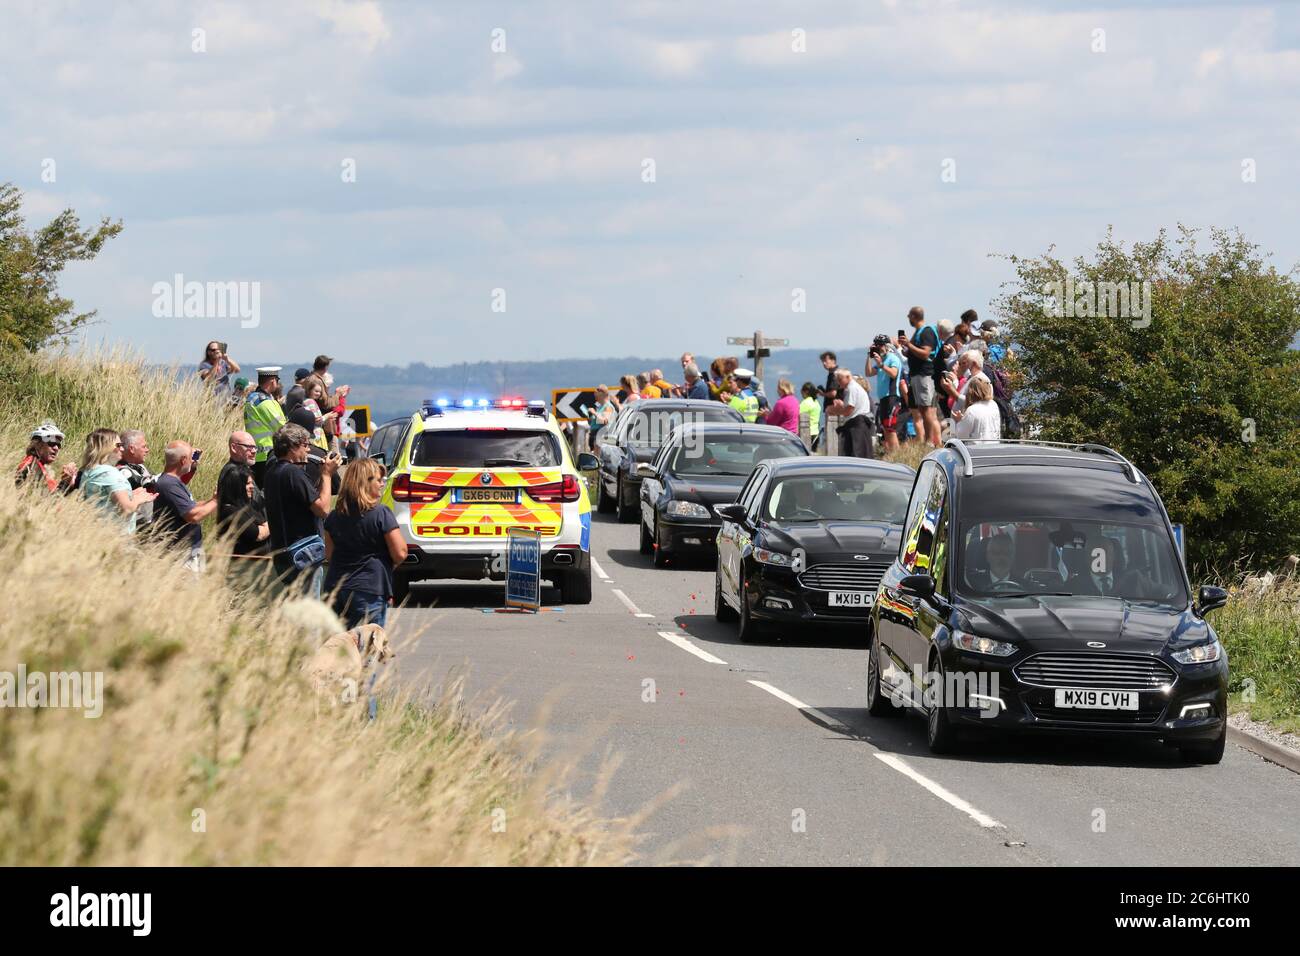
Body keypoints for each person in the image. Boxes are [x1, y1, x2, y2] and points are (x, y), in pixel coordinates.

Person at [323, 458, 408, 628]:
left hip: (335, 589)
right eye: (378, 480)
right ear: (365, 483)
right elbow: (400, 553)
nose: (382, 484)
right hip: (368, 589)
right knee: (367, 648)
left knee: (340, 648)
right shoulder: (381, 514)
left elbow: (329, 555)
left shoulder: (334, 516)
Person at [264, 423, 339, 596]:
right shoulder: (293, 473)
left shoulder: (272, 472)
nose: (308, 450)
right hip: (303, 555)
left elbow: (307, 500)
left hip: (283, 552)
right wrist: (327, 475)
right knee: (309, 615)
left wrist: (322, 476)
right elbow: (323, 509)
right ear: (292, 447)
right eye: (306, 445)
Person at [152, 441, 219, 571]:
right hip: (180, 556)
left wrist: (212, 500)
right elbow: (193, 515)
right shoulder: (169, 484)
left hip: (185, 552)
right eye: (190, 457)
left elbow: (190, 506)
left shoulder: (172, 482)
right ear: (183, 460)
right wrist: (217, 501)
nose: (192, 461)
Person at [79, 428, 155, 533]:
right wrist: (140, 498)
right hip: (117, 535)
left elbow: (106, 499)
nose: (122, 449)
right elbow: (126, 509)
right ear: (107, 448)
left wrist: (131, 495)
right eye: (119, 445)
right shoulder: (109, 473)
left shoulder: (90, 471)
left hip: (99, 531)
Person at [217, 431, 269, 556]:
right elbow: (257, 532)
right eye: (249, 447)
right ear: (234, 448)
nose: (254, 451)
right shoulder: (232, 473)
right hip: (243, 555)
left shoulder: (242, 471)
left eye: (255, 447)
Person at [898, 306, 941, 448]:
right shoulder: (918, 332)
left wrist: (909, 344)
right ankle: (926, 441)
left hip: (925, 374)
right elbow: (916, 352)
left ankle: (930, 441)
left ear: (914, 316)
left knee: (927, 408)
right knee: (922, 408)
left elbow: (925, 353)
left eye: (909, 316)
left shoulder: (926, 331)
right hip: (916, 374)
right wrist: (907, 349)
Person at [244, 366, 287, 486]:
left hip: (257, 454)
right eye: (277, 380)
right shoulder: (264, 402)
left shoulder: (253, 398)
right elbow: (282, 428)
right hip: (268, 455)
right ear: (273, 380)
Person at [15, 420, 77, 492]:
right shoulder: (32, 467)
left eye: (58, 445)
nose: (56, 448)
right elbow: (48, 500)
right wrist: (65, 483)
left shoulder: (38, 465)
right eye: (51, 443)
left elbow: (52, 496)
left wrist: (69, 484)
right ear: (37, 444)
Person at [826, 368, 874, 458]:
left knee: (856, 456)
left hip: (856, 427)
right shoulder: (853, 388)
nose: (839, 383)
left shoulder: (852, 389)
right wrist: (841, 406)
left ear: (848, 377)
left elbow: (849, 411)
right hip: (858, 425)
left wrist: (834, 410)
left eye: (840, 380)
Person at [868, 334, 904, 454]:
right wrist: (869, 356)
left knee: (890, 427)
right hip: (883, 398)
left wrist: (882, 366)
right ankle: (891, 453)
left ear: (887, 346)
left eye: (881, 346)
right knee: (885, 427)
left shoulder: (892, 358)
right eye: (877, 346)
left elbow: (894, 374)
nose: (879, 348)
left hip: (892, 396)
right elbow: (868, 373)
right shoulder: (881, 360)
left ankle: (896, 453)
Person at [116, 429, 158, 531]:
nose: (147, 450)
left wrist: (188, 469)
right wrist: (175, 466)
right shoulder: (122, 471)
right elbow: (151, 483)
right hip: (138, 528)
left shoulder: (139, 466)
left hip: (150, 523)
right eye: (144, 446)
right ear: (131, 448)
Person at [950, 376, 1000, 440]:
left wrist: (959, 421)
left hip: (976, 448)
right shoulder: (993, 404)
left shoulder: (972, 410)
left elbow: (961, 436)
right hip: (994, 446)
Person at [799, 383, 821, 449]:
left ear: (806, 391)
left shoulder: (805, 403)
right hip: (816, 433)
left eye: (802, 391)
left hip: (807, 433)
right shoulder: (816, 402)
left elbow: (798, 415)